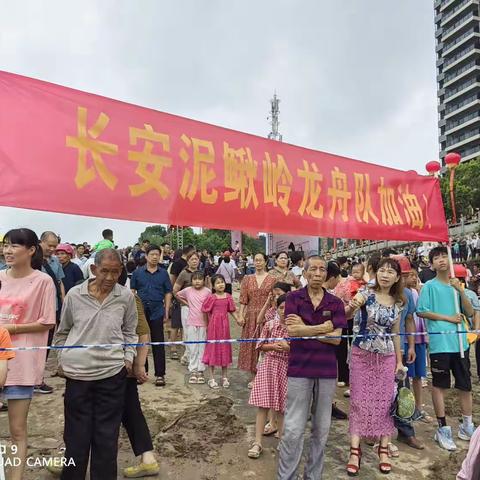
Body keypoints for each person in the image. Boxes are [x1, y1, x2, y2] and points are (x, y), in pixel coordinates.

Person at [54, 248, 138, 480]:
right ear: (93, 269)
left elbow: (131, 332)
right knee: (75, 438)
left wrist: (127, 360)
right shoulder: (74, 294)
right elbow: (62, 332)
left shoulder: (125, 296)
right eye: (104, 272)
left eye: (115, 272)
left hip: (112, 375)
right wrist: (61, 360)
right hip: (78, 376)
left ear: (121, 271)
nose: (110, 278)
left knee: (107, 438)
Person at [278, 255, 346, 480]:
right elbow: (293, 332)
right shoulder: (293, 298)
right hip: (299, 369)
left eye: (322, 269)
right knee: (293, 429)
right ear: (305, 272)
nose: (318, 273)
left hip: (327, 371)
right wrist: (323, 328)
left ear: (327, 274)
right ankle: (287, 476)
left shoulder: (335, 303)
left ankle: (313, 476)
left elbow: (336, 339)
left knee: (321, 429)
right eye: (313, 269)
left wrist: (307, 329)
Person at [0, 228, 56, 480]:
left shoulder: (43, 282)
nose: (8, 251)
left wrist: (9, 328)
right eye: (5, 245)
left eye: (14, 246)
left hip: (21, 365)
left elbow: (47, 322)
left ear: (31, 250)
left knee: (17, 431)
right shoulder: (0, 277)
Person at [346, 257, 406, 476]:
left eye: (391, 271)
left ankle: (383, 449)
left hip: (387, 357)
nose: (386, 274)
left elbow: (396, 334)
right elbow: (345, 316)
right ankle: (355, 451)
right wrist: (351, 307)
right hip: (362, 354)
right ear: (375, 273)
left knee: (385, 403)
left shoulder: (399, 302)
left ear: (397, 277)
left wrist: (399, 361)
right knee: (359, 402)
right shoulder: (364, 295)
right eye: (382, 270)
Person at [417, 246, 475, 451]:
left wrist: (460, 289)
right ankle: (442, 428)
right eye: (437, 257)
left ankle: (467, 425)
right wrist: (447, 318)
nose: (442, 260)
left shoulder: (456, 286)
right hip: (440, 342)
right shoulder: (429, 287)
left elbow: (469, 311)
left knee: (465, 384)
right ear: (432, 264)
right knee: (440, 384)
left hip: (460, 343)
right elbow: (422, 311)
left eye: (445, 256)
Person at [122, 290, 159, 478]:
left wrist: (138, 365)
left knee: (130, 411)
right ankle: (71, 458)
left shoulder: (129, 296)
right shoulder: (82, 292)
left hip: (121, 366)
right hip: (93, 366)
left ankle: (71, 459)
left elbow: (143, 331)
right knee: (131, 411)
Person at [248, 294, 290, 459]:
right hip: (268, 366)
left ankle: (283, 441)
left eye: (288, 308)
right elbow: (259, 345)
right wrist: (273, 346)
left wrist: (288, 348)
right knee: (263, 406)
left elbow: (301, 350)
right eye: (281, 308)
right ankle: (257, 442)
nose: (285, 311)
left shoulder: (296, 328)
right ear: (276, 308)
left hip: (286, 368)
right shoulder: (270, 325)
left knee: (282, 407)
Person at [131, 244, 172, 387]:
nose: (155, 257)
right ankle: (142, 373)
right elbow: (132, 292)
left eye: (157, 254)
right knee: (141, 342)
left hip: (157, 310)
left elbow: (168, 292)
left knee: (158, 342)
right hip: (140, 311)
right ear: (146, 256)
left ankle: (160, 374)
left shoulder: (163, 273)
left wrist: (166, 310)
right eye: (152, 254)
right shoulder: (137, 273)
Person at [238, 253, 277, 387]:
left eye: (261, 260)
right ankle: (255, 377)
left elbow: (274, 299)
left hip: (267, 316)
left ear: (266, 262)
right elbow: (243, 299)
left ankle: (265, 376)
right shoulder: (247, 279)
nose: (258, 262)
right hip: (251, 316)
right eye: (256, 260)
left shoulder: (272, 279)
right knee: (253, 346)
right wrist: (240, 315)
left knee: (267, 345)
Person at [404, 268, 432, 424]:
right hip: (407, 339)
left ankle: (419, 407)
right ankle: (407, 408)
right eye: (409, 276)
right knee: (406, 376)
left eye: (415, 276)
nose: (413, 278)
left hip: (419, 338)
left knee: (418, 376)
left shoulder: (417, 292)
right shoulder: (402, 294)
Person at [202, 274, 239, 389]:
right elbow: (204, 310)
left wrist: (238, 319)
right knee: (212, 349)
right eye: (217, 282)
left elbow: (231, 310)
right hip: (214, 327)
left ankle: (224, 376)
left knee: (224, 348)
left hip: (225, 327)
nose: (220, 284)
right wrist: (206, 325)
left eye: (222, 282)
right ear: (213, 286)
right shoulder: (211, 297)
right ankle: (211, 377)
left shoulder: (228, 296)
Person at [176, 271, 211, 384]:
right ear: (191, 281)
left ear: (203, 281)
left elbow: (211, 304)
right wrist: (186, 303)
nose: (197, 281)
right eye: (195, 279)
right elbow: (177, 294)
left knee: (202, 347)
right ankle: (193, 370)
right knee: (192, 346)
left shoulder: (208, 291)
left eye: (199, 279)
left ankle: (200, 370)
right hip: (191, 322)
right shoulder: (187, 290)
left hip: (203, 323)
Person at [173, 250, 201, 365]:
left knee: (199, 332)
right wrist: (186, 302)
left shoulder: (201, 273)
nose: (194, 261)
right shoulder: (184, 273)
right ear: (188, 261)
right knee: (188, 332)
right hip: (186, 308)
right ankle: (189, 356)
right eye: (192, 259)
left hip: (199, 308)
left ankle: (193, 356)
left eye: (196, 259)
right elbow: (175, 291)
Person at [169, 245, 194, 360]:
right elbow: (173, 281)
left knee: (186, 327)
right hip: (178, 299)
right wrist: (173, 296)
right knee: (175, 325)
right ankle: (173, 348)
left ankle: (186, 351)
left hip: (192, 303)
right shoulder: (178, 264)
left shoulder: (195, 268)